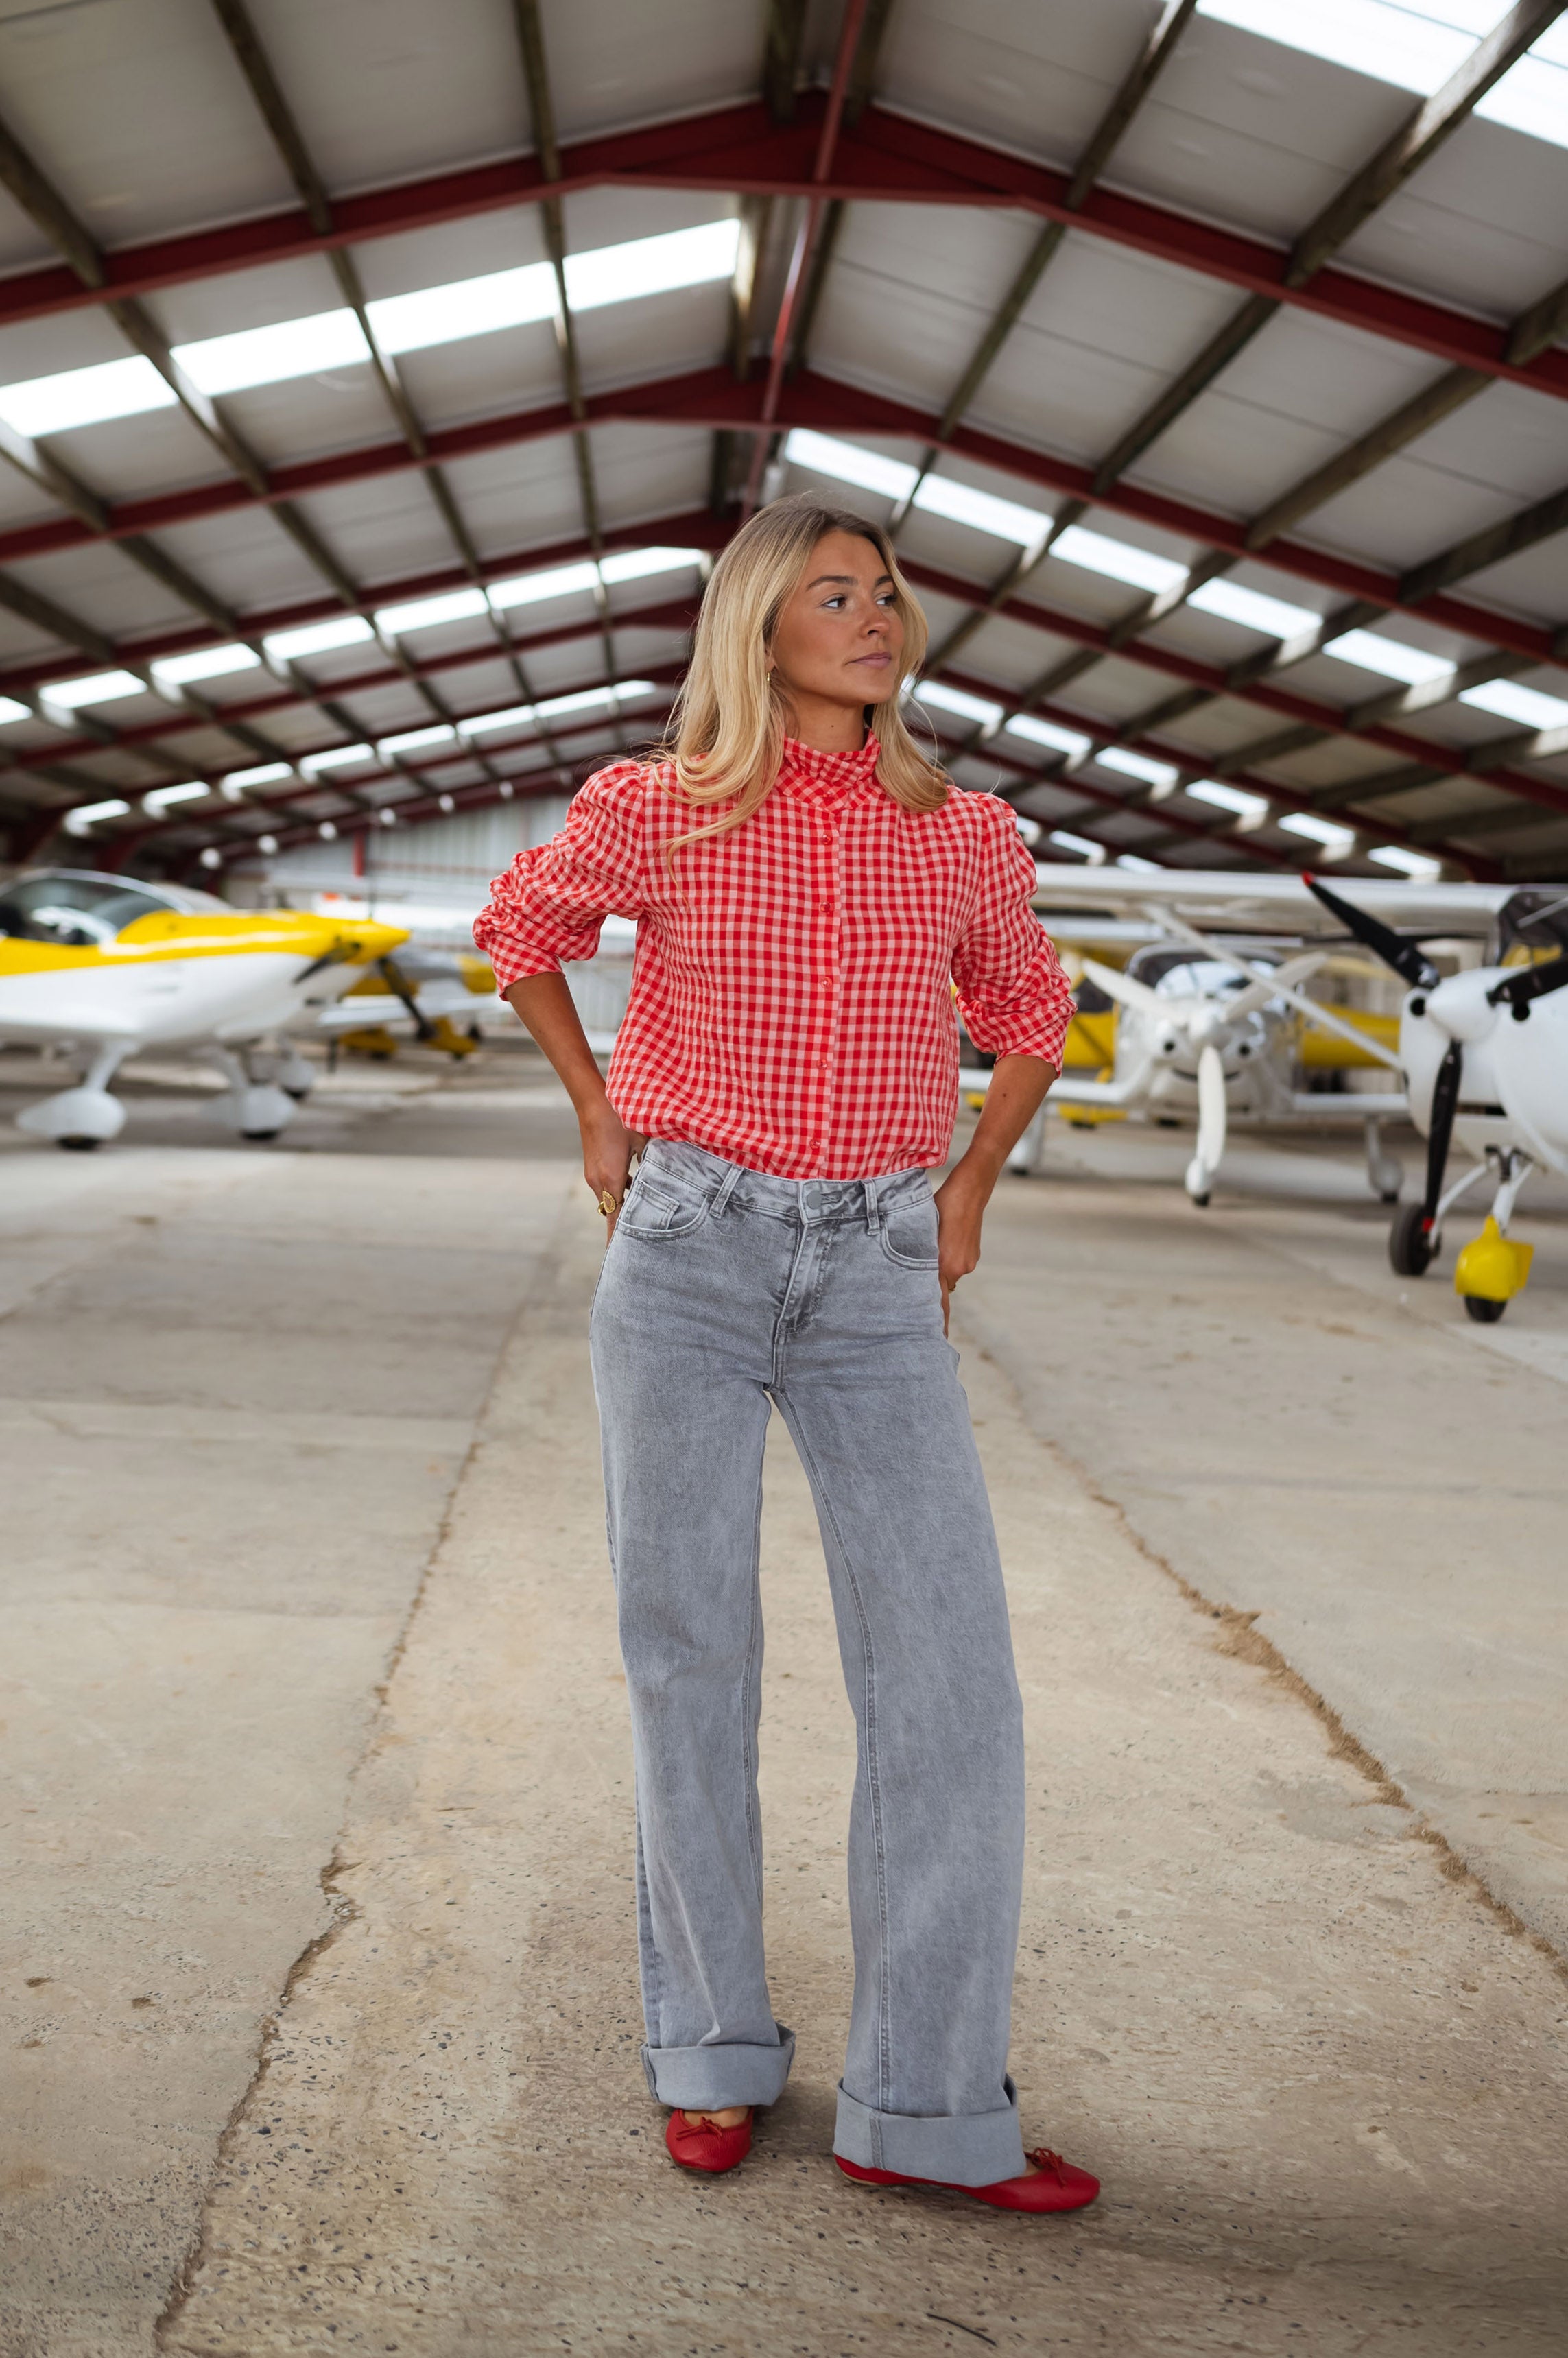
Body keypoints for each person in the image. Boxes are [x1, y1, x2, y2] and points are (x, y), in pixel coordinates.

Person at [474, 492, 1098, 2215]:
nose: (875, 615)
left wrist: (968, 1185)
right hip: (686, 1251)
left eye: (888, 592)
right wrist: (601, 1118)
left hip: (880, 1268)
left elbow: (1034, 1011)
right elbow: (523, 934)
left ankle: (928, 2102)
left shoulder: (963, 832)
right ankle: (712, 2052)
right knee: (692, 1655)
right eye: (834, 593)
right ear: (761, 630)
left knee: (951, 1682)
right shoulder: (657, 805)